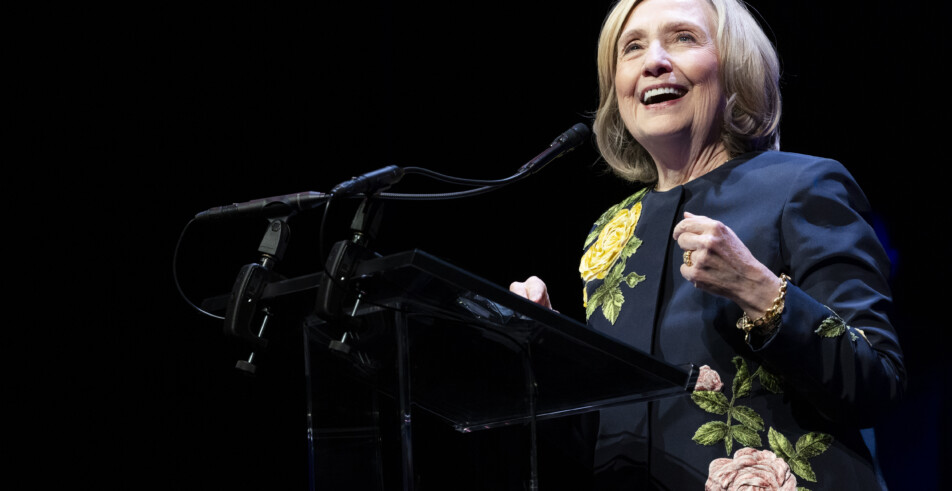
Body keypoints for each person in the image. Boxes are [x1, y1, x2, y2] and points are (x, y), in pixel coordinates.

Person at [510, 0, 905, 488]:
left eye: (682, 38)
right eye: (632, 47)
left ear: (735, 68)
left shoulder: (803, 185)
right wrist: (543, 354)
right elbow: (607, 443)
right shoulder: (610, 230)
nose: (653, 61)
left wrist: (762, 293)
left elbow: (877, 383)